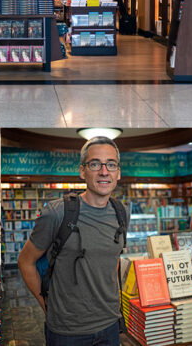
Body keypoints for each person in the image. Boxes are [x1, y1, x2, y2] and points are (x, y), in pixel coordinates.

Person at [17, 136, 128, 345]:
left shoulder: (122, 213)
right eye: (95, 164)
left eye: (111, 164)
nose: (104, 171)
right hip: (67, 331)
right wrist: (46, 305)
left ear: (118, 172)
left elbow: (113, 262)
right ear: (82, 171)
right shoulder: (57, 212)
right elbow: (26, 261)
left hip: (110, 325)